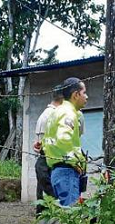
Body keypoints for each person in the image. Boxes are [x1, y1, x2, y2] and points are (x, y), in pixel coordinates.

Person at [43, 77, 88, 224]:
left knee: (74, 217)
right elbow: (64, 139)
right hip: (67, 170)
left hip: (58, 170)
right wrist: (77, 161)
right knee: (70, 222)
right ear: (76, 94)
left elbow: (48, 140)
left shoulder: (56, 112)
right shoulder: (70, 113)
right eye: (84, 92)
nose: (87, 97)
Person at [33, 86, 64, 214]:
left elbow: (40, 144)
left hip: (45, 163)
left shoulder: (46, 114)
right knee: (51, 206)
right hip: (50, 165)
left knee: (44, 204)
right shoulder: (53, 116)